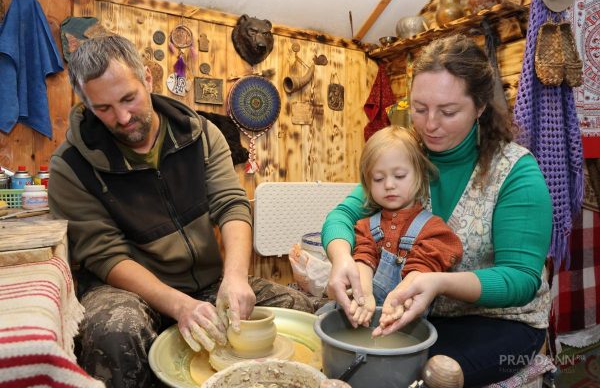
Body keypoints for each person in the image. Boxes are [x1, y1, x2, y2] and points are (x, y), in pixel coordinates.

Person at [48, 35, 315, 388]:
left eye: (129, 98)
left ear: (148, 79)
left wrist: (235, 277)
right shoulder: (71, 167)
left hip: (206, 280)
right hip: (128, 289)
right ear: (86, 103)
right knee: (116, 333)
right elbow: (104, 255)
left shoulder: (201, 134)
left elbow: (231, 205)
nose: (123, 117)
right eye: (104, 109)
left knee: (299, 308)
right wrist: (178, 305)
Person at [322, 34, 553, 387]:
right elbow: (342, 216)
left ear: (479, 107)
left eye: (447, 112)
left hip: (503, 325)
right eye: (418, 108)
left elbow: (521, 279)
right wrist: (342, 260)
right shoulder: (406, 157)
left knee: (428, 375)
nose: (429, 125)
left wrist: (439, 282)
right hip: (422, 316)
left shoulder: (516, 172)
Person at [348, 126, 463, 327]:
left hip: (408, 323)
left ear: (419, 176)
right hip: (366, 317)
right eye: (378, 178)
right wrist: (364, 293)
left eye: (399, 176)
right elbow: (363, 258)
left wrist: (398, 298)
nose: (389, 185)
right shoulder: (366, 225)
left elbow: (423, 267)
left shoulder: (433, 228)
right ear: (367, 183)